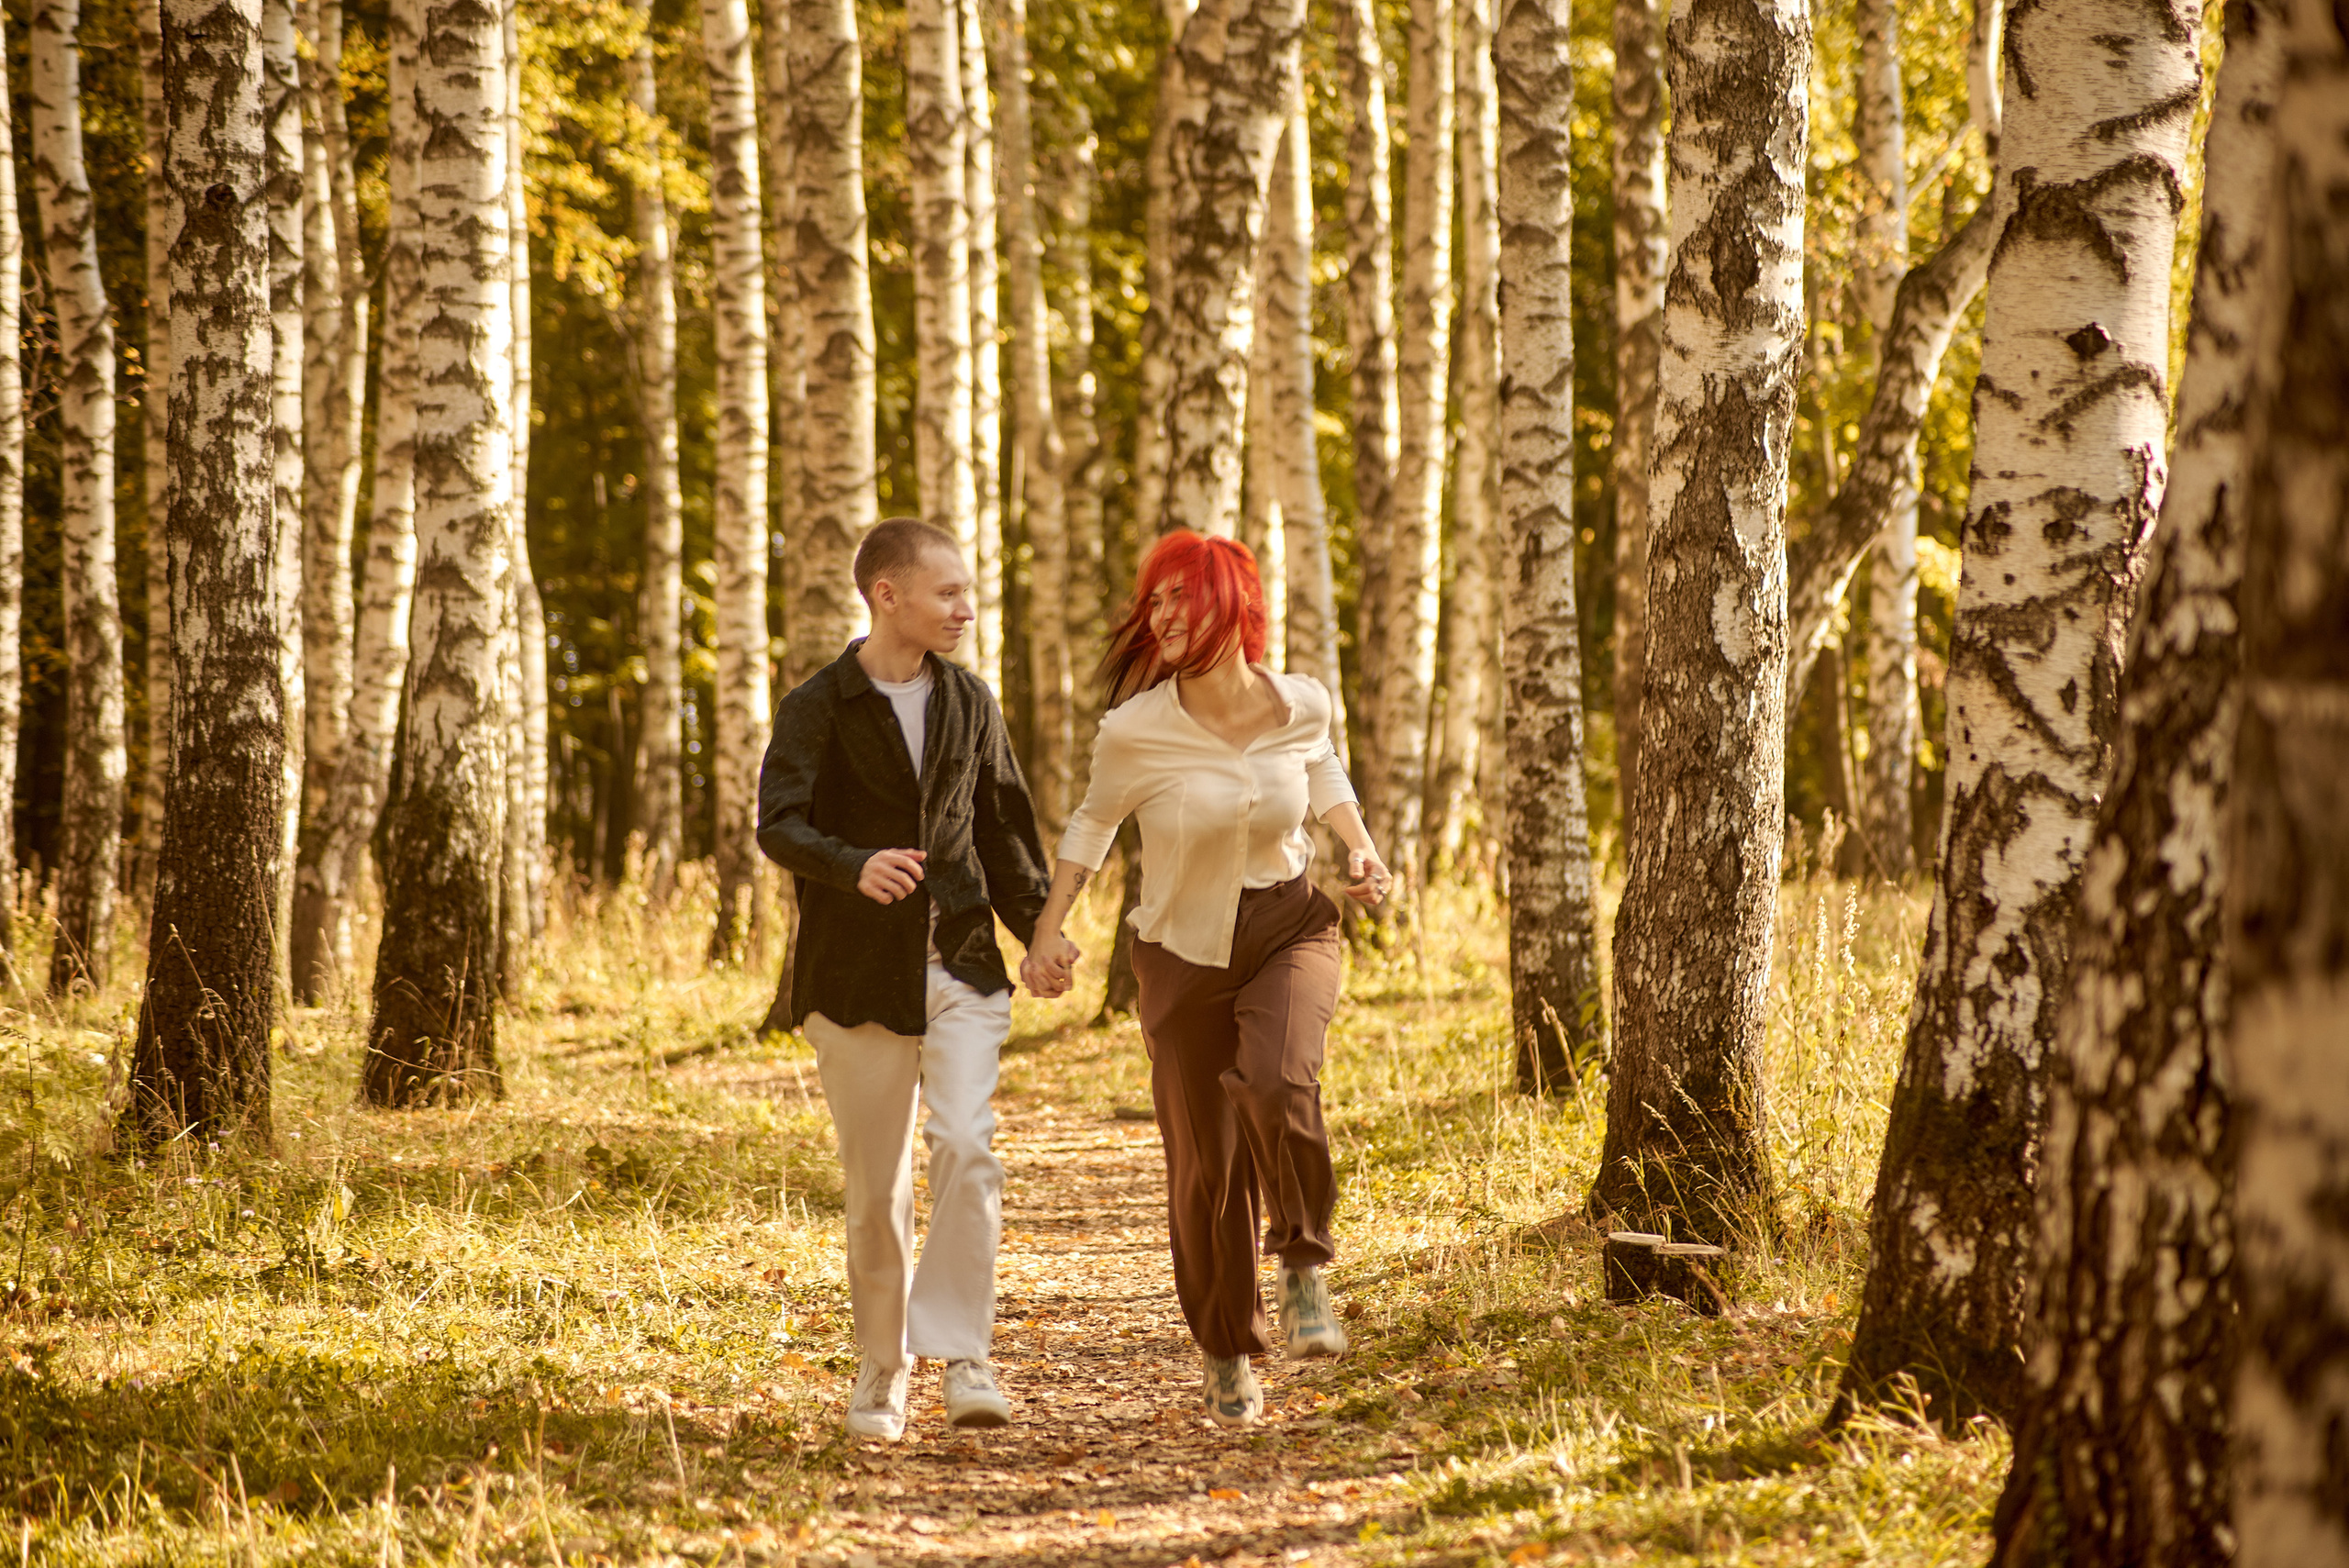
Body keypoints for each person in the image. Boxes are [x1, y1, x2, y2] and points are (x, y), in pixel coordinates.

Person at [1019, 530, 1392, 1429]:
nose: (1163, 615)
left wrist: (1360, 844)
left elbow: (1321, 763)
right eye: (1154, 601)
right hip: (1181, 954)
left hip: (1286, 924)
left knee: (1278, 1075)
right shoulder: (1137, 727)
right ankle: (1227, 1346)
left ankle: (1303, 1262)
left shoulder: (1299, 699)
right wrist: (1047, 925)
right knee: (1206, 1167)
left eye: (1181, 596)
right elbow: (1091, 824)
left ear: (1230, 602)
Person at [755, 517, 1052, 1442]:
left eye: (966, 592)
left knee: (967, 1143)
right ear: (888, 594)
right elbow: (777, 823)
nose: (965, 607)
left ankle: (965, 1350)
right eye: (948, 592)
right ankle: (882, 1367)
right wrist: (852, 865)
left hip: (961, 961)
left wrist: (1041, 930)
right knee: (875, 1186)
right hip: (854, 979)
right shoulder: (819, 703)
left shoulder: (969, 700)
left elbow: (1003, 828)